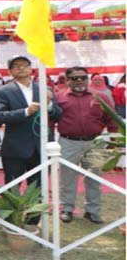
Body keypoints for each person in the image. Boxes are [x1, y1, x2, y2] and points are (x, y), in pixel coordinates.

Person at [0, 55, 62, 203]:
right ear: (10, 71)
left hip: (41, 148)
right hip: (15, 149)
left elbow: (58, 114)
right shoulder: (3, 91)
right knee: (12, 188)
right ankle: (12, 222)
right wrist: (26, 112)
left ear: (31, 68)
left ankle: (32, 223)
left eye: (24, 65)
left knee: (38, 187)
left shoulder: (44, 88)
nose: (21, 68)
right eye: (16, 66)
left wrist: (49, 104)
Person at [56, 66, 117, 224]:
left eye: (83, 77)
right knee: (67, 177)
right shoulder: (59, 97)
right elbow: (50, 120)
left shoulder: (100, 96)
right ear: (68, 80)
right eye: (75, 78)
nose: (79, 81)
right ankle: (67, 209)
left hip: (96, 142)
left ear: (88, 78)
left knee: (94, 177)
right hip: (68, 142)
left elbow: (112, 120)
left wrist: (113, 141)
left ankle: (92, 211)